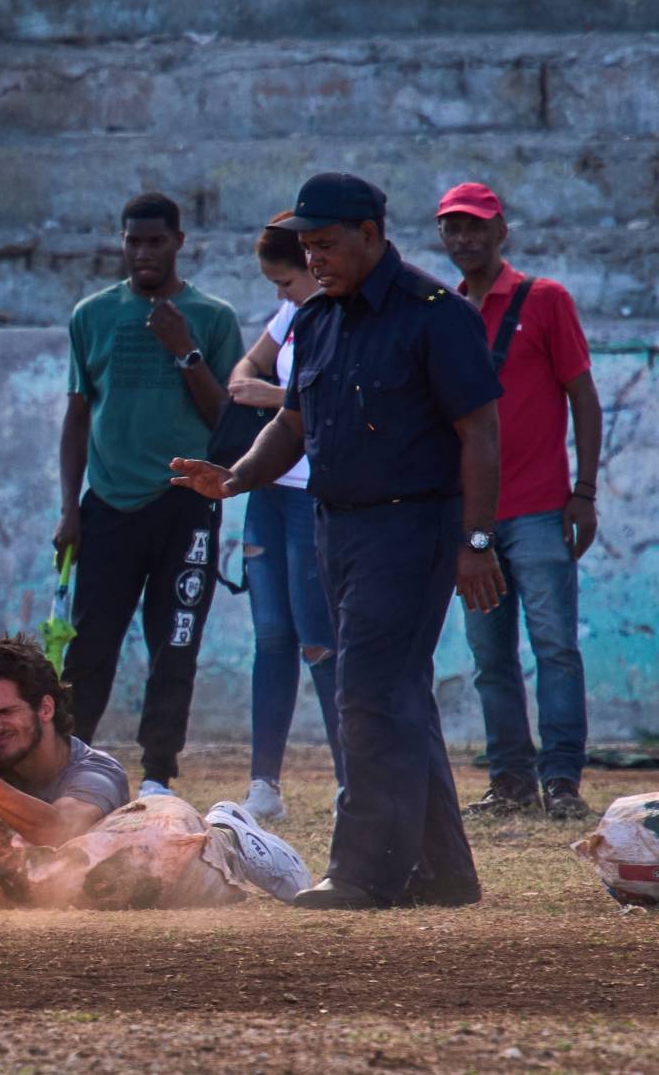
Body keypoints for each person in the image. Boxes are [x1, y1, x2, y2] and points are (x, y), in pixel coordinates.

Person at [173, 172, 504, 910]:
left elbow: (479, 430)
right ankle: (445, 872)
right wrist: (234, 477)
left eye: (325, 244)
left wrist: (477, 538)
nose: (313, 257)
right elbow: (292, 426)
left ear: (371, 234)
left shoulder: (434, 314)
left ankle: (364, 873)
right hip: (337, 528)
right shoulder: (315, 321)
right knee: (397, 694)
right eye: (306, 245)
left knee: (367, 693)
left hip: (412, 526)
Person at [56, 192, 245, 798]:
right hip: (108, 505)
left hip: (186, 502)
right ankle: (68, 765)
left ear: (179, 242)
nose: (143, 252)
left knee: (175, 644)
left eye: (156, 241)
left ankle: (158, 774)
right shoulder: (91, 315)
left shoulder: (212, 318)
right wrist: (69, 508)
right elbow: (78, 416)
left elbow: (227, 421)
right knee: (89, 648)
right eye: (133, 241)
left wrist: (184, 350)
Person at [436, 182, 602, 822]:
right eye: (453, 229)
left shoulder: (545, 299)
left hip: (539, 507)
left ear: (501, 231)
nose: (465, 239)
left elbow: (582, 398)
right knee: (489, 657)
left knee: (555, 647)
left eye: (476, 227)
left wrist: (583, 492)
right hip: (474, 517)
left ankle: (561, 781)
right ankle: (510, 782)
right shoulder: (445, 310)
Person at [0, 634, 309, 901]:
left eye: (6, 712)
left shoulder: (95, 772)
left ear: (45, 708)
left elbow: (59, 830)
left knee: (149, 847)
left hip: (116, 855)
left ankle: (227, 837)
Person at [225, 219, 345, 822]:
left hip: (306, 493)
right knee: (271, 636)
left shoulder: (339, 315)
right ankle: (264, 785)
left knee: (319, 639)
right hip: (268, 488)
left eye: (285, 281)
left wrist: (281, 398)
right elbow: (243, 374)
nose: (281, 294)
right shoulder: (294, 314)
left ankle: (351, 778)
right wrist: (283, 394)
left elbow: (320, 399)